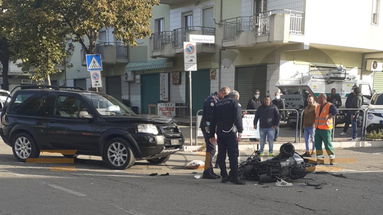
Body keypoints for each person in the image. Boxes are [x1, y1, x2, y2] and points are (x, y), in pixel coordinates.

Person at [209, 90, 245, 185]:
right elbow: (238, 118)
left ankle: (224, 176)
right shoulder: (234, 103)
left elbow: (213, 120)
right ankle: (234, 176)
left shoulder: (218, 103)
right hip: (231, 132)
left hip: (220, 132)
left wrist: (212, 134)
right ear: (236, 97)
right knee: (233, 154)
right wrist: (240, 131)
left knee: (221, 154)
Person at [200, 87, 230, 179]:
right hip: (208, 127)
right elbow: (210, 117)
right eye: (225, 95)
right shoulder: (212, 101)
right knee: (211, 148)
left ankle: (209, 170)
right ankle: (207, 171)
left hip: (211, 127)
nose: (226, 97)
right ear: (221, 92)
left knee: (211, 148)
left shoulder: (217, 100)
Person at [315, 94, 338, 165]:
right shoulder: (318, 106)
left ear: (323, 98)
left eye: (319, 98)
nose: (317, 99)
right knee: (317, 144)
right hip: (318, 128)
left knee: (327, 144)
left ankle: (332, 158)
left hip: (326, 129)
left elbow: (335, 112)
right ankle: (320, 159)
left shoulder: (330, 105)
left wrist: (329, 116)